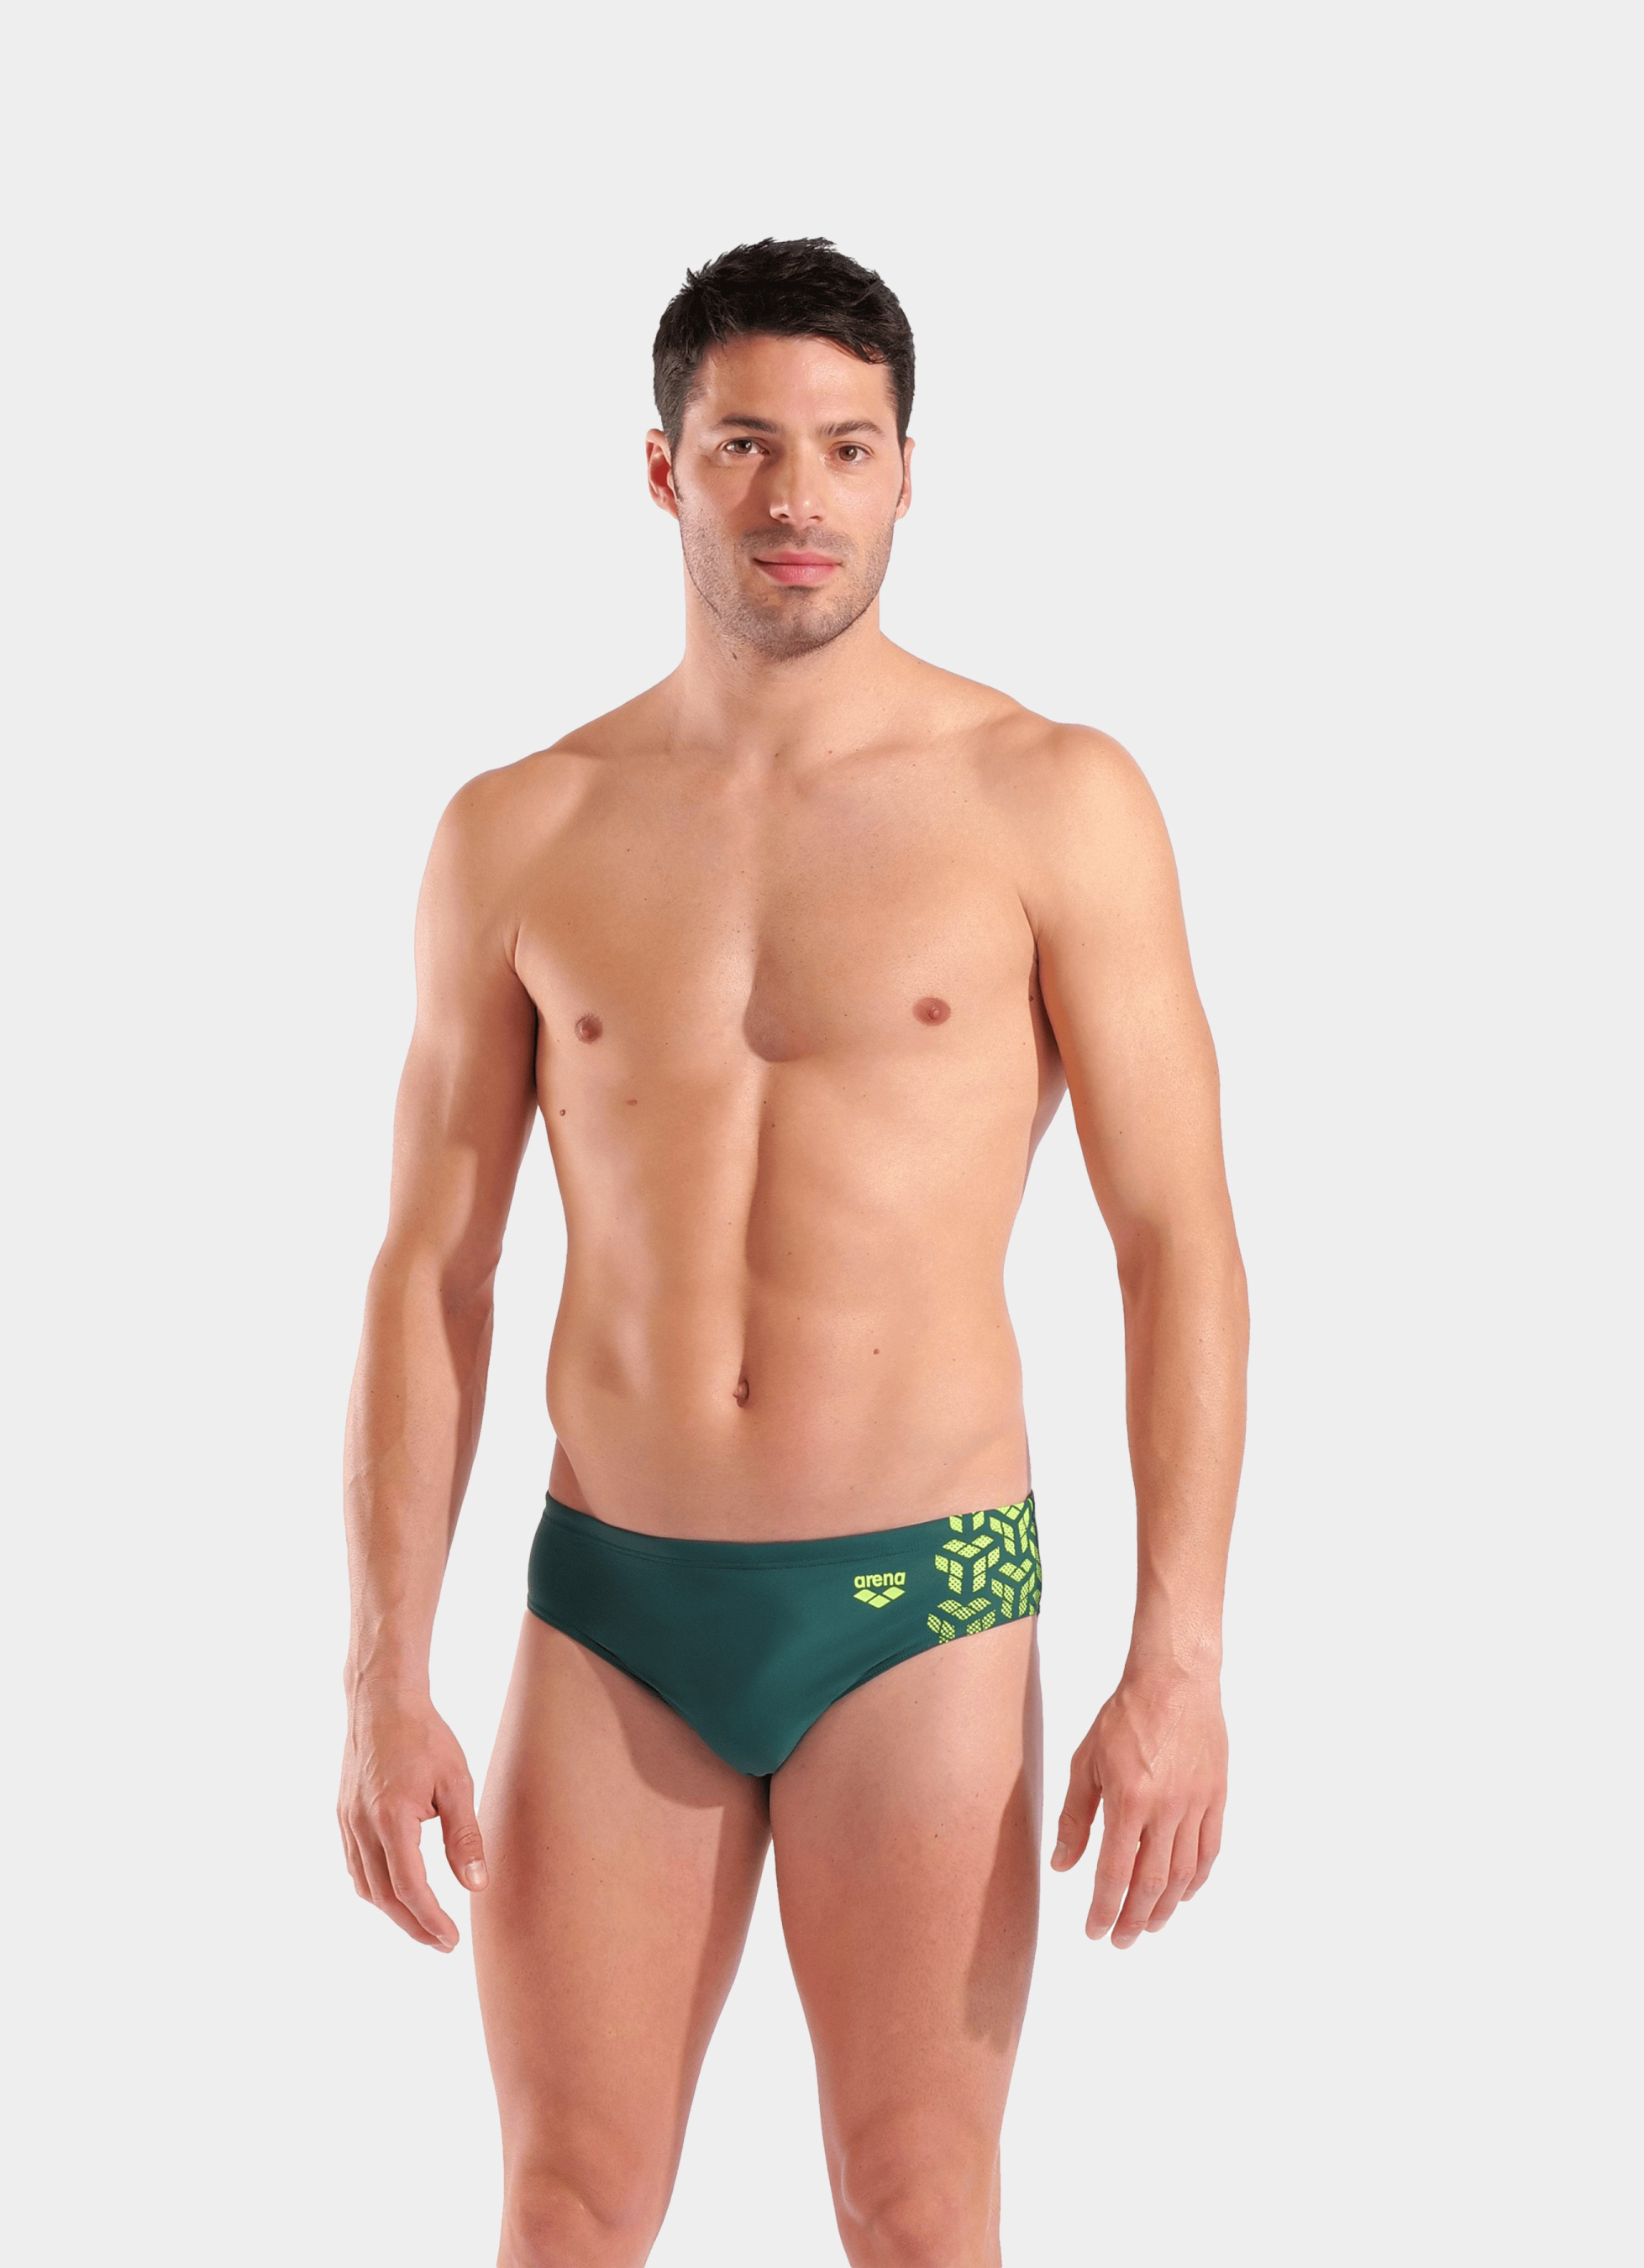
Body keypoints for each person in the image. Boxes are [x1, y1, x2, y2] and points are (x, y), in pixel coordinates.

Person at [337, 236, 1247, 2268]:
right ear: (663, 469)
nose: (796, 497)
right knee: (566, 2211)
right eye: (745, 443)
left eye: (845, 446)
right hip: (613, 1598)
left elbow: (1174, 1240)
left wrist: (1177, 1658)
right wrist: (384, 1672)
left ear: (907, 472)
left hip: (928, 1591)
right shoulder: (520, 827)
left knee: (912, 2208)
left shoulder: (1050, 800)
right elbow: (428, 1273)